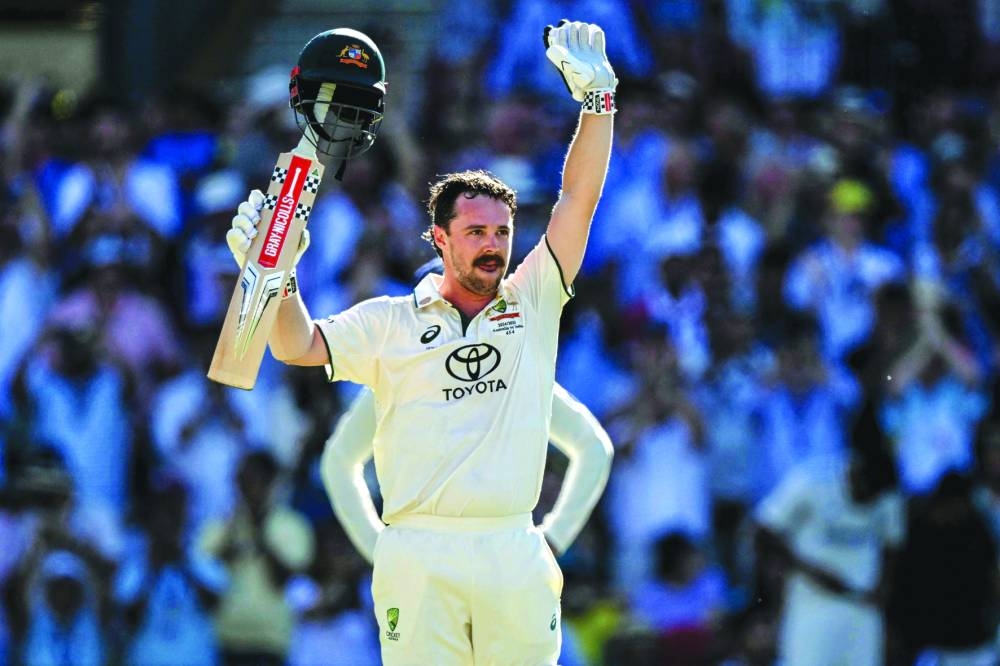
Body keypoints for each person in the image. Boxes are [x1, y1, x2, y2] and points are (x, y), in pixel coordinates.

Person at [226, 18, 616, 665]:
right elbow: (296, 347)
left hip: (511, 547)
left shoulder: (534, 299)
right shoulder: (389, 321)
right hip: (417, 552)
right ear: (439, 239)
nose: (493, 245)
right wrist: (278, 277)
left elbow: (579, 196)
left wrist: (598, 102)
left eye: (502, 232)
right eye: (475, 232)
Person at [753, 403, 904, 666]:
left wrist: (884, 585)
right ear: (856, 470)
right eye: (865, 494)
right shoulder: (812, 480)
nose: (869, 502)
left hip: (862, 607)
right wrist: (809, 569)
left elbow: (892, 542)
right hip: (812, 603)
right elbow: (763, 530)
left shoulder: (887, 493)